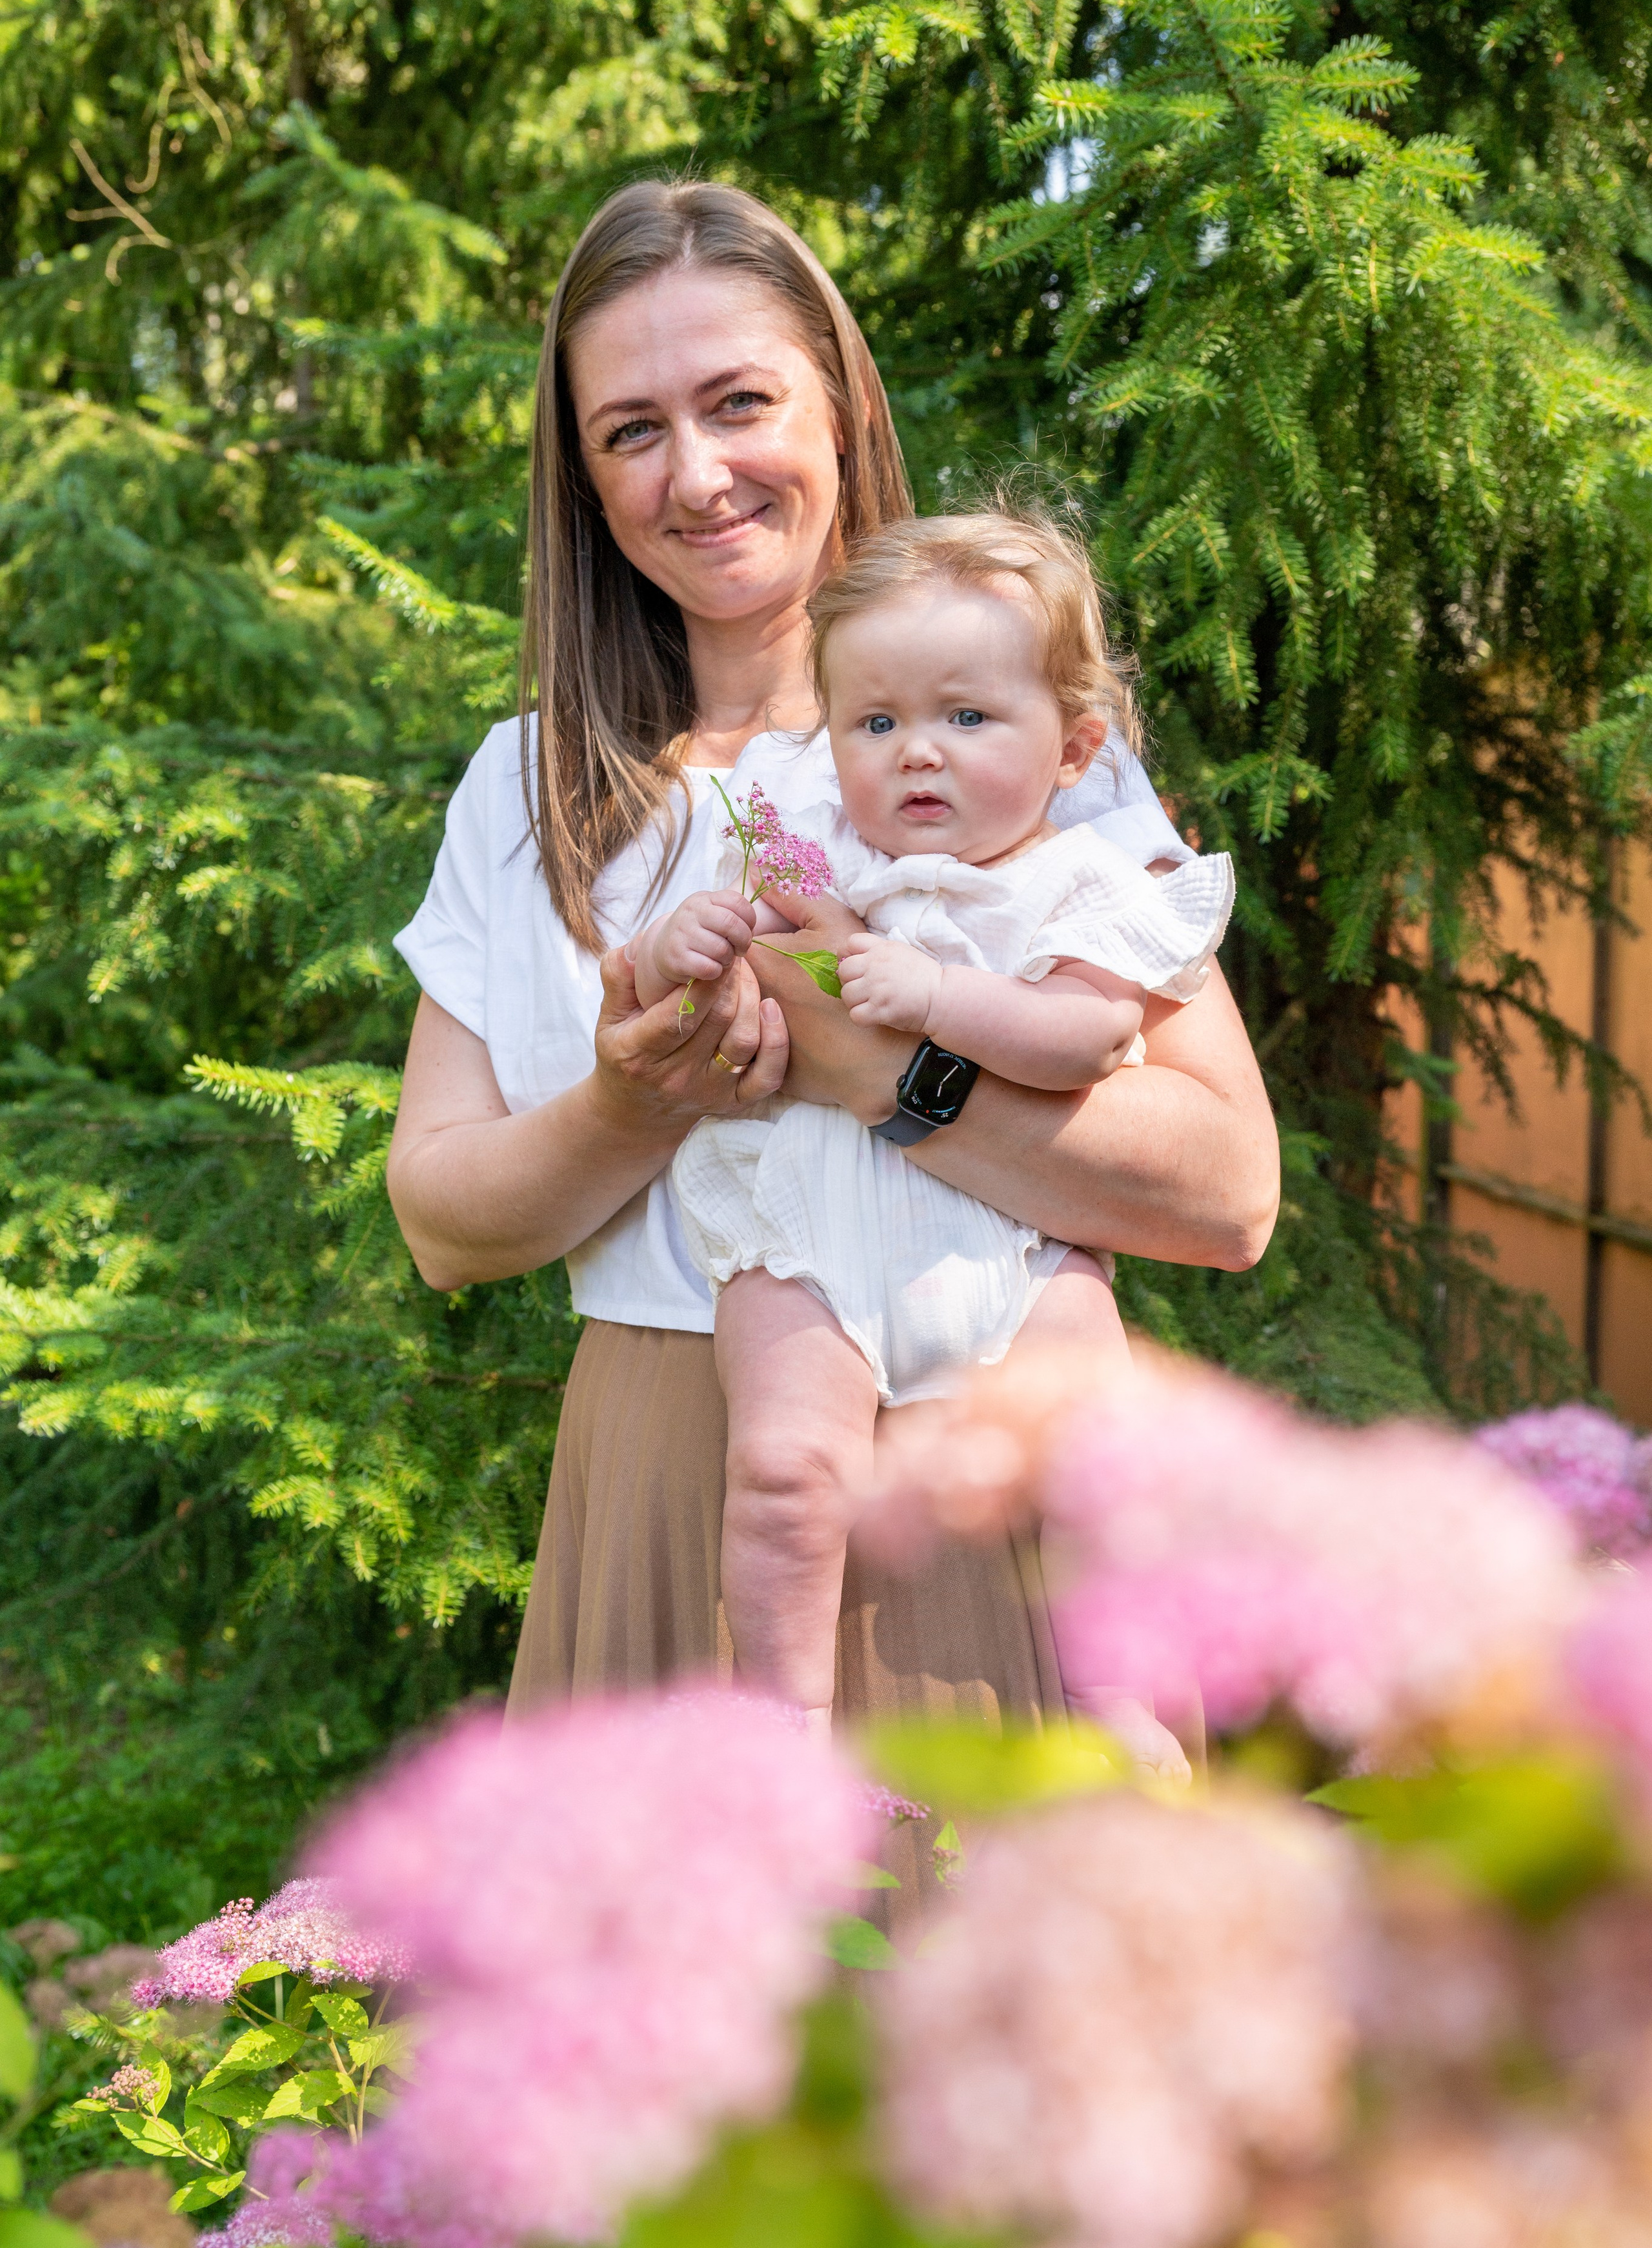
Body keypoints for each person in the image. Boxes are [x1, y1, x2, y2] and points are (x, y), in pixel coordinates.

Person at [383, 177, 1279, 1757]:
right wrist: (633, 1101)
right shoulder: (529, 793)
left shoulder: (1005, 744)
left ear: (841, 411)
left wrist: (880, 1072)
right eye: (631, 431)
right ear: (584, 481)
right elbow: (441, 1221)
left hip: (980, 1471)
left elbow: (1224, 1193)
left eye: (739, 402)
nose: (697, 473)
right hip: (674, 1488)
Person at [629, 508, 1234, 1757]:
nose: (917, 752)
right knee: (783, 1473)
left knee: (1102, 1463)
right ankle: (784, 1722)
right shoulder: (812, 857)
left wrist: (937, 1001)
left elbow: (1083, 1039)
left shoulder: (1085, 884)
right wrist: (679, 942)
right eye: (875, 723)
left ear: (1073, 746)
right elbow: (690, 985)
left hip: (1018, 1251)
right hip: (812, 1229)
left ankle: (1118, 1701)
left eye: (966, 717)